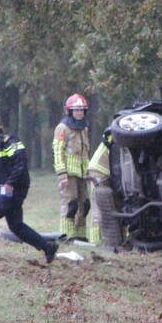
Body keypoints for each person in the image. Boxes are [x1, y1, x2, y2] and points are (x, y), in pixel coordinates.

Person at [0, 118, 57, 263]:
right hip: (3, 187)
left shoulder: (9, 142)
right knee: (16, 225)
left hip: (15, 188)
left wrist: (10, 183)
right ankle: (48, 247)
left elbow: (20, 163)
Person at [53, 93, 92, 240]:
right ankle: (67, 236)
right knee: (71, 205)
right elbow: (57, 151)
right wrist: (62, 174)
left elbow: (85, 152)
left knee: (85, 205)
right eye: (76, 110)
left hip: (83, 174)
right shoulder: (62, 128)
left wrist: (89, 171)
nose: (79, 113)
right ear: (70, 111)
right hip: (68, 174)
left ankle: (80, 236)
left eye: (82, 110)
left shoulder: (84, 128)